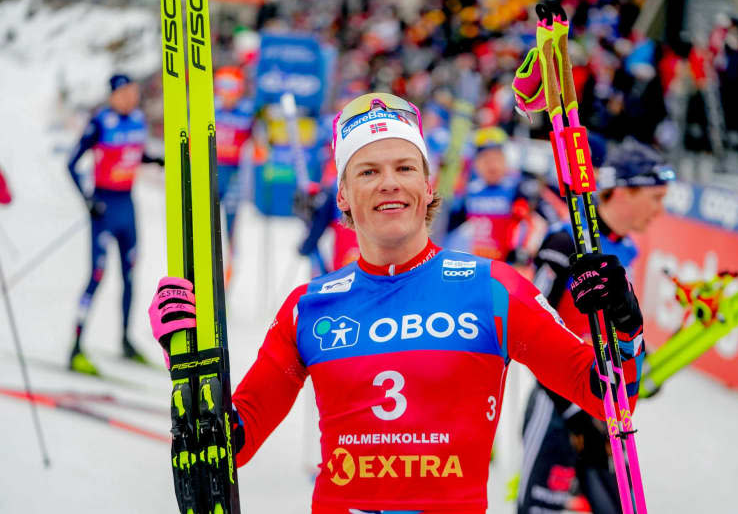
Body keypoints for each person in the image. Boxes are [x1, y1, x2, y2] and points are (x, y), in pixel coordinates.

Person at [149, 93, 646, 513]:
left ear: (427, 185)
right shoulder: (309, 308)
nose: (389, 182)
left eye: (405, 167)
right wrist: (187, 363)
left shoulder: (492, 288)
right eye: (367, 171)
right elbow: (229, 447)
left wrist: (623, 320)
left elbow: (610, 395)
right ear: (342, 194)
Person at [516, 137, 675, 514]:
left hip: (605, 412)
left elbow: (610, 327)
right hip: (558, 406)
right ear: (623, 191)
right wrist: (574, 417)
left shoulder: (626, 248)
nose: (660, 211)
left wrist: (638, 363)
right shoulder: (564, 241)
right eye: (656, 197)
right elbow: (529, 332)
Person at [67, 73, 162, 374]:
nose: (131, 98)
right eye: (125, 93)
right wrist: (87, 199)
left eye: (133, 92)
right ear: (113, 95)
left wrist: (155, 160)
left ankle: (125, 340)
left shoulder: (137, 119)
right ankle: (76, 346)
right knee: (97, 275)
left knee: (130, 276)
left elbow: (136, 154)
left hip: (127, 206)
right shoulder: (100, 123)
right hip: (104, 207)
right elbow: (71, 163)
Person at [446, 126, 552, 263]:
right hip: (479, 265)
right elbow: (448, 231)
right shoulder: (469, 192)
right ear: (477, 164)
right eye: (485, 160)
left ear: (505, 159)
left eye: (496, 158)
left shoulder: (520, 186)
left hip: (511, 266)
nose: (492, 165)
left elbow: (543, 224)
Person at [213, 66, 258, 282]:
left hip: (234, 176)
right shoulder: (210, 107)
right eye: (222, 87)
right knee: (207, 226)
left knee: (229, 229)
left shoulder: (247, 110)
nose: (226, 93)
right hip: (211, 172)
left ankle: (227, 276)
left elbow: (260, 143)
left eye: (231, 87)